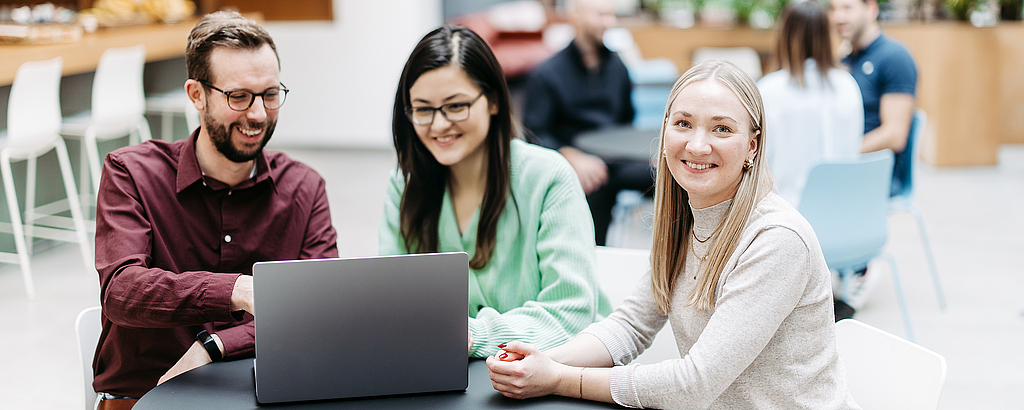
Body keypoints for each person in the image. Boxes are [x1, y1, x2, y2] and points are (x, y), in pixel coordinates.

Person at [487, 61, 860, 409]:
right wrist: (543, 361)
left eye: (722, 129)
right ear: (664, 130)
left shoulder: (777, 239)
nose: (697, 145)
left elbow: (693, 383)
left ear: (753, 145)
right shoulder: (686, 221)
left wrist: (559, 379)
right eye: (683, 123)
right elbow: (631, 325)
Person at [91, 11, 338, 407]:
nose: (258, 114)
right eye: (238, 97)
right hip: (143, 398)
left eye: (270, 94)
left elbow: (319, 309)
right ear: (196, 94)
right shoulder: (131, 173)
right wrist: (236, 290)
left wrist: (215, 345)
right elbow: (121, 291)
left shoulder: (305, 188)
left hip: (265, 395)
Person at [379, 25, 602, 360]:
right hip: (453, 377)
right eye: (423, 109)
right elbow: (391, 302)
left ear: (494, 101)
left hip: (555, 372)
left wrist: (473, 335)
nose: (439, 125)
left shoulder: (547, 177)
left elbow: (570, 311)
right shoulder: (406, 184)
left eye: (456, 106)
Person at [522, 0, 654, 246]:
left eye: (611, 16)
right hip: (577, 162)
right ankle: (594, 261)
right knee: (593, 183)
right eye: (600, 15)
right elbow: (534, 132)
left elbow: (627, 121)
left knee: (670, 175)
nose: (609, 23)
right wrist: (571, 156)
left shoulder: (618, 67)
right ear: (575, 16)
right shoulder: (546, 74)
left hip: (617, 161)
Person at [830, 0, 918, 318]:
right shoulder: (843, 58)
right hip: (846, 167)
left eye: (847, 7)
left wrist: (837, 152)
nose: (838, 16)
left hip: (876, 174)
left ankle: (858, 267)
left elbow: (895, 134)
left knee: (813, 181)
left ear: (871, 9)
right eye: (833, 8)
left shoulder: (894, 57)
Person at [758, 0, 863, 208]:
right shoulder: (848, 85)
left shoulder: (768, 90)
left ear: (784, 36)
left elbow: (759, 165)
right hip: (846, 210)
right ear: (827, 35)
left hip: (787, 215)